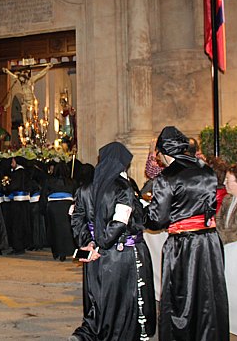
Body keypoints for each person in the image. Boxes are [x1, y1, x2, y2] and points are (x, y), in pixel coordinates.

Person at [145, 126, 229, 341]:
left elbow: (156, 220)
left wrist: (141, 213)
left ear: (163, 152)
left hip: (183, 245)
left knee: (181, 298)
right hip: (209, 241)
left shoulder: (167, 177)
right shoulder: (206, 169)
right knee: (208, 295)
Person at [69, 142, 155, 341]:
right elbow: (121, 222)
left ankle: (92, 331)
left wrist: (88, 242)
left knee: (97, 295)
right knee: (119, 299)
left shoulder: (85, 188)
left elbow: (76, 217)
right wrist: (101, 243)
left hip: (95, 253)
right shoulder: (123, 188)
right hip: (118, 254)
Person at [41, 161, 76, 261]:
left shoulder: (49, 181)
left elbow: (44, 195)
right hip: (67, 207)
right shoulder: (72, 182)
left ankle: (56, 252)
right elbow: (76, 195)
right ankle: (66, 251)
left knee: (54, 230)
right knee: (66, 230)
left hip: (53, 207)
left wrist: (43, 208)